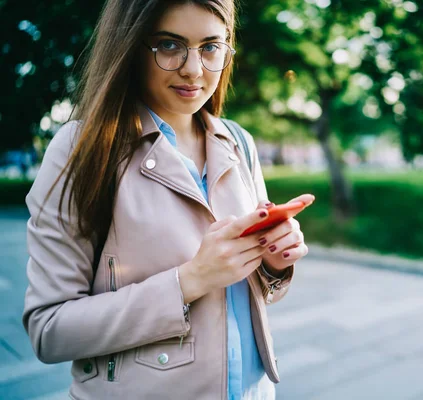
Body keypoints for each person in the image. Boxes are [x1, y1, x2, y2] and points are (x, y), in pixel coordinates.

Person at [22, 1, 314, 399]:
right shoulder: (81, 148)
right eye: (169, 45)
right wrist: (189, 281)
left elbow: (253, 296)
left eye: (211, 46)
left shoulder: (238, 142)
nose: (194, 69)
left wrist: (273, 264)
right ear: (128, 47)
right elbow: (49, 330)